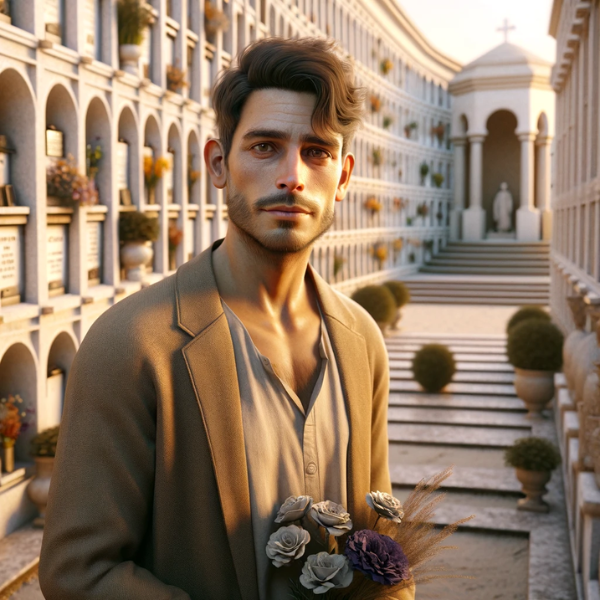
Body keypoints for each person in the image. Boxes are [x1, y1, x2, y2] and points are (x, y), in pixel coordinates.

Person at [39, 38, 414, 600]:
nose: (292, 175)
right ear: (219, 163)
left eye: (317, 152)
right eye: (265, 147)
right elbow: (78, 573)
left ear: (343, 175)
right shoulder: (133, 344)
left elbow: (378, 542)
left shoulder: (362, 340)